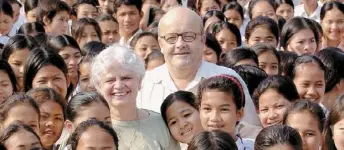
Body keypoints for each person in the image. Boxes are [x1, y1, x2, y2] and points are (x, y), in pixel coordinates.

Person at [138, 7, 260, 126]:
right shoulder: (144, 84)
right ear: (161, 44)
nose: (180, 44)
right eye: (171, 38)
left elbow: (250, 132)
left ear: (202, 40)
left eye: (189, 36)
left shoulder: (228, 79)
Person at [91, 44, 180, 149]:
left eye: (126, 78)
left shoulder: (160, 124)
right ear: (98, 85)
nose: (119, 86)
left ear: (139, 81)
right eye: (110, 80)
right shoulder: (91, 128)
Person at [196, 75, 255, 149]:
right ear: (199, 110)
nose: (214, 118)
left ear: (239, 113)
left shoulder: (255, 147)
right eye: (207, 109)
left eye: (224, 109)